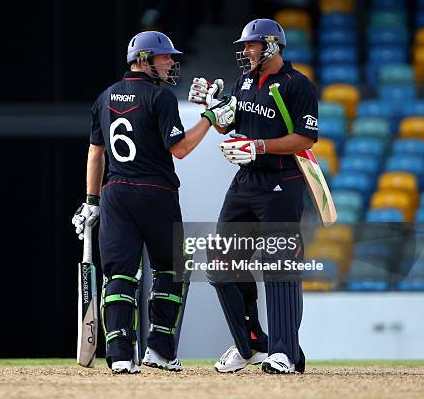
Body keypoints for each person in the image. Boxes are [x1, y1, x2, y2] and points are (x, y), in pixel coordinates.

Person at [71, 30, 231, 374]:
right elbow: (181, 149)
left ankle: (119, 356)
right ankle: (158, 350)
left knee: (120, 274)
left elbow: (95, 154)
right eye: (166, 57)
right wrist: (210, 118)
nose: (172, 62)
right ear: (145, 60)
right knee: (172, 269)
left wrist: (91, 201)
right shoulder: (161, 98)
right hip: (156, 193)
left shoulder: (104, 97)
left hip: (115, 195)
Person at [189, 18, 318, 374]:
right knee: (221, 265)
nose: (245, 52)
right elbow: (227, 125)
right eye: (245, 47)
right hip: (246, 181)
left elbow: (306, 140)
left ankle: (285, 353)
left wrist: (258, 146)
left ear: (272, 46)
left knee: (279, 266)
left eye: (251, 46)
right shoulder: (245, 81)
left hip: (281, 181)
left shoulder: (297, 85)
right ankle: (252, 345)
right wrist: (212, 105)